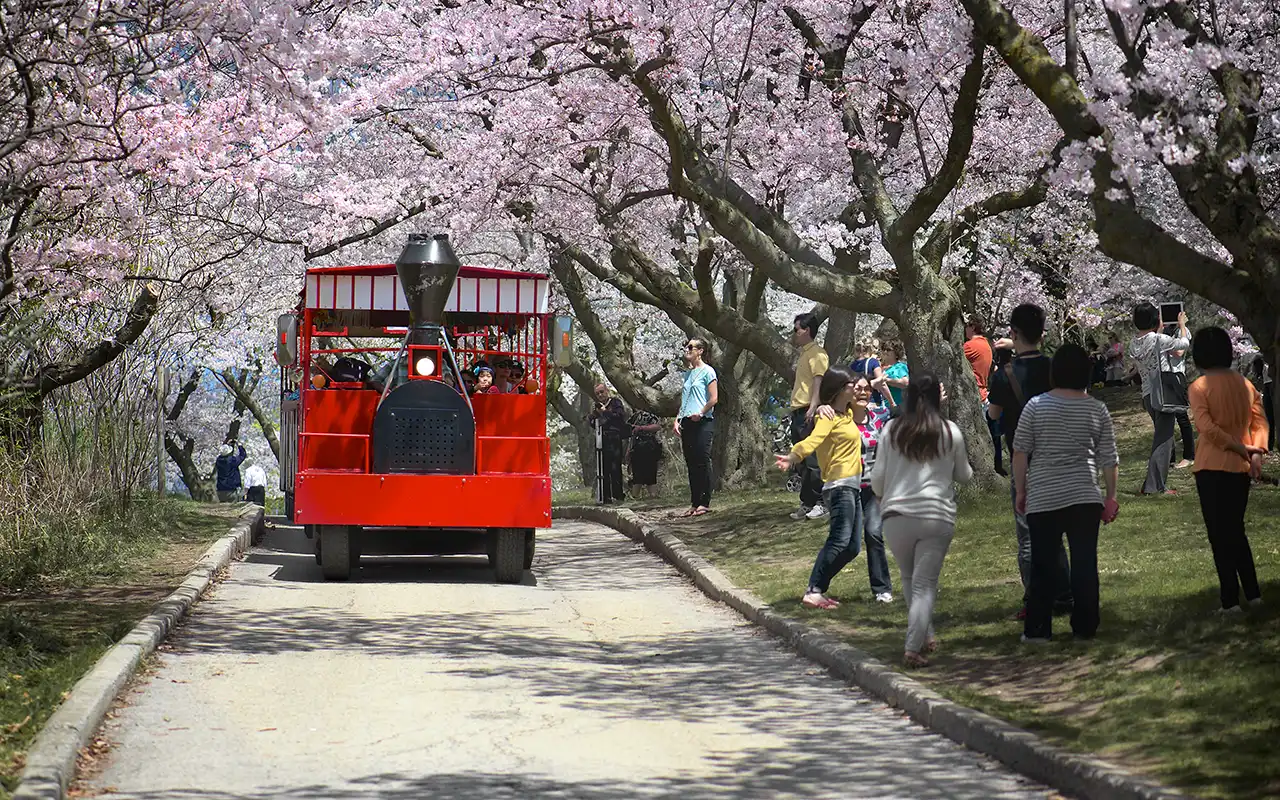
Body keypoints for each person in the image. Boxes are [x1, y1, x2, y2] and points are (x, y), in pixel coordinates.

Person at [1013, 344, 1120, 643]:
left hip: (1043, 496)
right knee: (1085, 564)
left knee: (1043, 565)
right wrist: (1110, 496)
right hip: (1084, 496)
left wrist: (1021, 490)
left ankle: (1038, 630)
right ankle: (1085, 627)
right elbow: (1109, 458)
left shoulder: (1035, 406)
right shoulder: (1096, 409)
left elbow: (1020, 452)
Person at [871, 374, 973, 668]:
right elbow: (964, 475)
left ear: (908, 396)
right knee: (924, 584)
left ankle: (925, 635)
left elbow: (877, 479)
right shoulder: (949, 431)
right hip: (935, 516)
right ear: (938, 397)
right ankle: (913, 647)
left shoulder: (891, 430)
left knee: (909, 578)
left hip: (896, 516)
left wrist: (883, 495)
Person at [988, 303, 1073, 620]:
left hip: (1023, 461)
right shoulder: (1054, 368)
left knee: (1027, 535)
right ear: (1043, 334)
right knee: (1055, 530)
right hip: (1056, 458)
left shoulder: (1005, 375)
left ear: (1013, 333)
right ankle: (1063, 595)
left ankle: (1036, 598)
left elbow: (993, 414)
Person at [1188, 327, 1269, 613]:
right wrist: (1255, 452)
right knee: (1236, 530)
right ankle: (1253, 594)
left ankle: (1230, 600)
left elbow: (1207, 428)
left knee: (1219, 535)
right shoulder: (1245, 384)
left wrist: (1238, 447)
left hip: (1211, 466)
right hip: (1240, 468)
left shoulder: (1199, 387)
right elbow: (1260, 422)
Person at [777, 367, 865, 609]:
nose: (857, 388)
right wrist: (793, 456)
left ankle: (818, 588)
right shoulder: (827, 417)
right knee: (839, 540)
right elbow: (812, 441)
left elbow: (866, 400)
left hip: (852, 487)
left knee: (852, 547)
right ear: (840, 388)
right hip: (839, 487)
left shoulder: (845, 414)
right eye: (852, 384)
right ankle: (814, 590)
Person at [815, 374, 896, 604]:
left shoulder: (879, 415)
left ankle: (882, 590)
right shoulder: (841, 418)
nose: (863, 393)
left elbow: (900, 414)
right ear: (849, 393)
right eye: (858, 388)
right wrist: (820, 407)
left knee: (874, 534)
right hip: (848, 488)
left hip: (873, 488)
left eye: (867, 389)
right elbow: (819, 423)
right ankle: (818, 584)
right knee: (848, 546)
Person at [1128, 303, 1190, 495]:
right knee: (1164, 441)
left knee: (1162, 438)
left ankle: (1153, 484)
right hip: (1163, 393)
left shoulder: (1134, 342)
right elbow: (1183, 346)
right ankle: (1154, 487)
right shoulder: (1158, 339)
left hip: (1147, 394)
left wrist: (1159, 329)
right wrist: (1182, 325)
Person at [788, 312, 830, 521]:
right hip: (797, 411)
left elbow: (818, 381)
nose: (794, 333)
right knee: (801, 460)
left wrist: (813, 407)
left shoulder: (818, 354)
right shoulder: (804, 354)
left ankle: (822, 502)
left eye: (797, 329)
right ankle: (807, 502)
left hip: (808, 411)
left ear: (807, 330)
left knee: (813, 460)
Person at [674, 338, 717, 516]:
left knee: (702, 460)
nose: (687, 349)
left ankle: (704, 502)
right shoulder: (688, 374)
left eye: (691, 347)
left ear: (700, 351)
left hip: (703, 421)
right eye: (686, 347)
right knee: (691, 462)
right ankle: (694, 502)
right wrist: (677, 419)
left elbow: (714, 398)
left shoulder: (708, 371)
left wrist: (701, 412)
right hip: (686, 421)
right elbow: (685, 400)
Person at [963, 316, 1004, 476]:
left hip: (973, 393)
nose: (964, 329)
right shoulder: (986, 344)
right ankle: (997, 466)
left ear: (973, 327)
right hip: (983, 393)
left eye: (967, 326)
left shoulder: (971, 346)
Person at [1162, 323, 1196, 470]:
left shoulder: (1183, 330)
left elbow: (1179, 352)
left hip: (1176, 376)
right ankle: (1170, 458)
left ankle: (1189, 456)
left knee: (1181, 417)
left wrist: (1181, 324)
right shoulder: (1163, 331)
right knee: (1166, 417)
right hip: (1163, 376)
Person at [588, 384, 629, 504]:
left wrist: (605, 412)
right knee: (603, 468)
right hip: (601, 438)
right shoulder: (597, 406)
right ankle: (605, 497)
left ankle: (618, 496)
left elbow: (620, 417)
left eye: (602, 392)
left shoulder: (616, 402)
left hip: (614, 438)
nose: (600, 395)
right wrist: (594, 416)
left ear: (607, 391)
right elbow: (593, 422)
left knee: (615, 468)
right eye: (597, 393)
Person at [627, 408, 663, 498]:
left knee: (651, 472)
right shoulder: (634, 416)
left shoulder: (651, 413)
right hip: (636, 446)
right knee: (637, 474)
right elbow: (630, 432)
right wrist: (628, 450)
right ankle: (635, 496)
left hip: (650, 445)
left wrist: (641, 428)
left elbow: (657, 426)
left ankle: (653, 496)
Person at [850, 339, 885, 404]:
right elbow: (882, 383)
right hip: (872, 399)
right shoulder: (873, 362)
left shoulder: (852, 365)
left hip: (856, 399)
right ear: (871, 348)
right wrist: (891, 402)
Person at [879, 339, 910, 407]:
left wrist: (886, 380)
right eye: (883, 349)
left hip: (894, 407)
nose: (885, 351)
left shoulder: (900, 367)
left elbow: (905, 383)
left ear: (896, 353)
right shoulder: (877, 367)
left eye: (888, 349)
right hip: (876, 407)